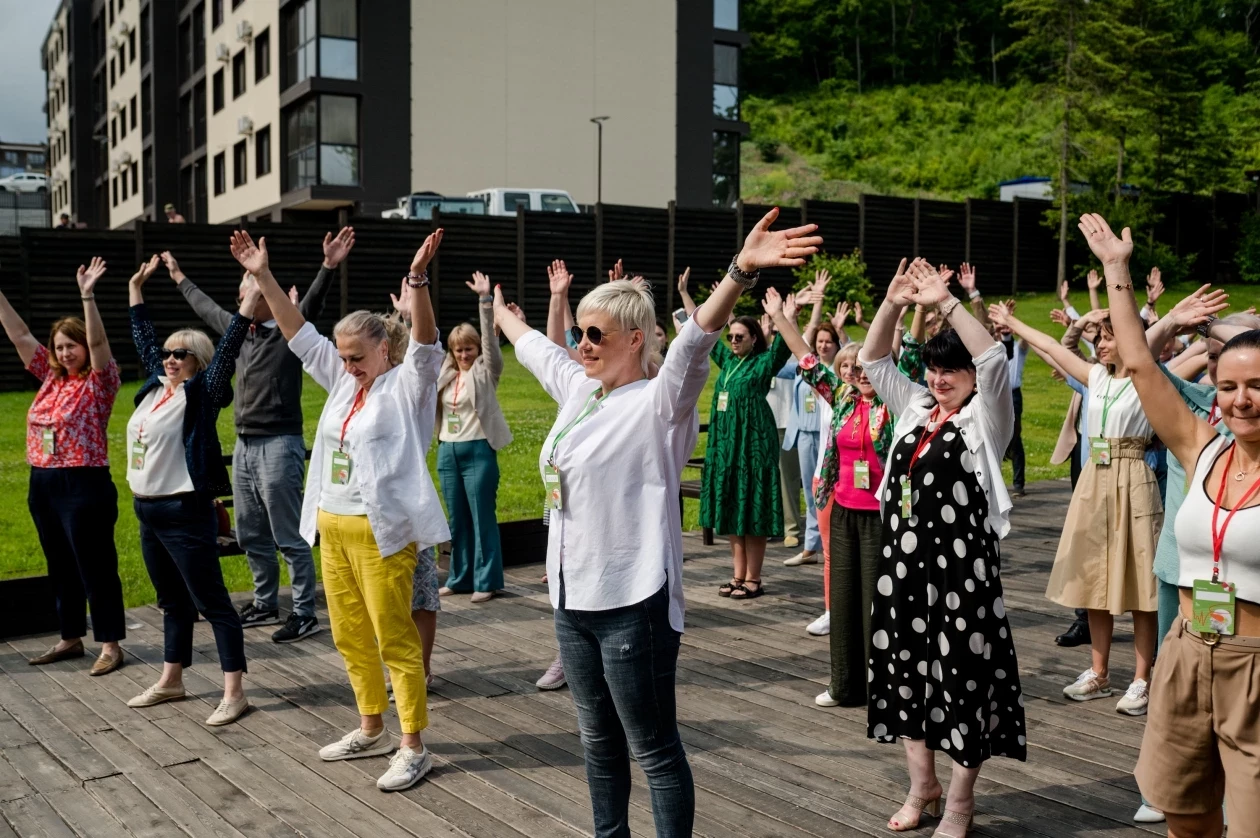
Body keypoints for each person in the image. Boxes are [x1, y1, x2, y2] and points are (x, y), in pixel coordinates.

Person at [493, 205, 820, 837]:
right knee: (597, 741)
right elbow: (533, 347)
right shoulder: (581, 389)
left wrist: (739, 272)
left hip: (631, 600)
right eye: (580, 332)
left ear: (634, 339)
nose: (582, 344)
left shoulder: (659, 403)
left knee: (654, 749)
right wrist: (496, 309)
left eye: (595, 334)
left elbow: (694, 343)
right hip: (570, 599)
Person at [229, 228, 449, 792]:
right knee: (350, 635)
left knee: (394, 638)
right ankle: (371, 726)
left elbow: (426, 343)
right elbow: (296, 332)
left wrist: (418, 280)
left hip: (383, 534)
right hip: (332, 527)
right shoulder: (342, 383)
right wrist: (262, 275)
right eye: (343, 357)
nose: (348, 366)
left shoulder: (407, 386)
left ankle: (413, 745)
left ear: (384, 350)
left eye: (357, 357)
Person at [1077, 213, 1260, 838]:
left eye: (1257, 385)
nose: (1241, 398)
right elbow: (1139, 364)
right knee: (1182, 811)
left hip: (1254, 662)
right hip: (1184, 649)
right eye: (1229, 385)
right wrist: (1116, 270)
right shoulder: (1201, 447)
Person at [860, 257, 1024, 836]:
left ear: (971, 376)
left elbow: (993, 358)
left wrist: (947, 302)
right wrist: (893, 302)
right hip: (902, 567)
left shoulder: (986, 418)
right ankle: (921, 785)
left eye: (951, 370)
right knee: (905, 671)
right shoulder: (915, 409)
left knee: (962, 678)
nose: (938, 379)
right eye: (933, 369)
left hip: (961, 574)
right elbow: (872, 360)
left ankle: (959, 801)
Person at [162, 228, 350, 642]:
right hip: (245, 446)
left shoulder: (289, 335)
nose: (241, 302)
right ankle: (265, 603)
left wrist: (328, 266)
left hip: (279, 444)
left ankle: (304, 612)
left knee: (288, 534)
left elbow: (312, 303)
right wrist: (177, 276)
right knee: (250, 533)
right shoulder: (238, 334)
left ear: (268, 297)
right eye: (239, 295)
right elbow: (204, 306)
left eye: (248, 294)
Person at [989, 301, 1161, 716]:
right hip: (1094, 480)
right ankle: (1099, 673)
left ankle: (1142, 679)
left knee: (1141, 586)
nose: (1100, 345)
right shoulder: (1096, 376)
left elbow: (1163, 339)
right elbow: (1051, 346)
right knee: (1093, 582)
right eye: (1099, 338)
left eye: (1109, 337)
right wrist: (1011, 322)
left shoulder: (1148, 376)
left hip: (1133, 476)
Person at [123, 254, 254, 726]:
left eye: (181, 354)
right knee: (171, 601)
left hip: (183, 510)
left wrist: (250, 299)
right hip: (147, 510)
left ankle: (234, 692)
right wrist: (136, 290)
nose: (171, 358)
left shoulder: (201, 395)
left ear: (198, 362)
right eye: (168, 353)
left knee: (211, 601)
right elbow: (143, 341)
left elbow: (229, 348)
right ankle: (171, 679)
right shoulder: (154, 388)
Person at [764, 293, 893, 709]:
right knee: (843, 597)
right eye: (856, 368)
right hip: (842, 507)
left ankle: (882, 689)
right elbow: (806, 360)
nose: (861, 373)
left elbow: (907, 350)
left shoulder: (896, 404)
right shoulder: (842, 397)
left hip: (880, 514)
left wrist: (901, 307)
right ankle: (844, 684)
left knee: (876, 601)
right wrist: (780, 318)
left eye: (869, 367)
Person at [0, 258, 126, 675]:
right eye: (59, 347)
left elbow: (101, 341)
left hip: (83, 484)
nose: (64, 352)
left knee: (95, 565)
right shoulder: (51, 379)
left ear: (84, 348)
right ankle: (70, 636)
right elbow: (19, 334)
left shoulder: (99, 382)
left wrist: (87, 296)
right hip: (43, 483)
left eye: (72, 345)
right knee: (60, 563)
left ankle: (110, 643)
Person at [704, 303, 794, 600]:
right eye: (730, 336)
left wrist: (785, 316)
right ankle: (738, 575)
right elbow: (705, 333)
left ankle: (753, 578)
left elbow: (783, 347)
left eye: (739, 337)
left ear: (754, 338)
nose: (733, 341)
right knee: (734, 508)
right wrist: (684, 295)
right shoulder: (728, 361)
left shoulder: (764, 362)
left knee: (753, 509)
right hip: (727, 447)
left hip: (754, 447)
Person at [434, 270, 512, 602]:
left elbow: (492, 345)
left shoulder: (485, 370)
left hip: (478, 450)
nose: (464, 355)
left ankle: (487, 580)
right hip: (447, 452)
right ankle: (460, 577)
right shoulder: (445, 374)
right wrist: (408, 317)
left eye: (468, 349)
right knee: (457, 520)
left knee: (482, 518)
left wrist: (485, 301)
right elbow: (419, 353)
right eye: (458, 350)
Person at [779, 269, 833, 568]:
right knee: (812, 493)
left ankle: (829, 544)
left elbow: (810, 331)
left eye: (828, 341)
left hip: (827, 438)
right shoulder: (803, 369)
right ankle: (812, 547)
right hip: (804, 437)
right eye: (819, 342)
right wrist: (789, 317)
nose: (822, 345)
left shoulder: (837, 372)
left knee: (828, 491)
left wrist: (818, 302)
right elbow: (793, 349)